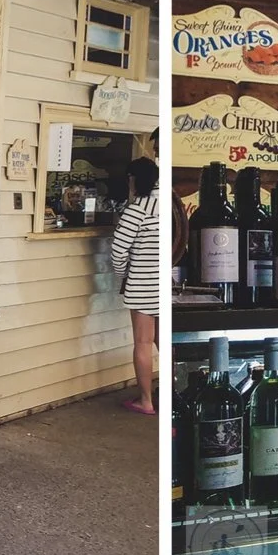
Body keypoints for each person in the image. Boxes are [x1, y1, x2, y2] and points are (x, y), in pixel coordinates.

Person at [108, 156, 165, 414]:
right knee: (164, 342)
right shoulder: (168, 205)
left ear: (134, 179)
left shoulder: (138, 209)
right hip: (166, 282)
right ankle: (171, 394)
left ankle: (146, 401)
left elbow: (118, 250)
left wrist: (122, 275)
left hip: (142, 282)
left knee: (142, 342)